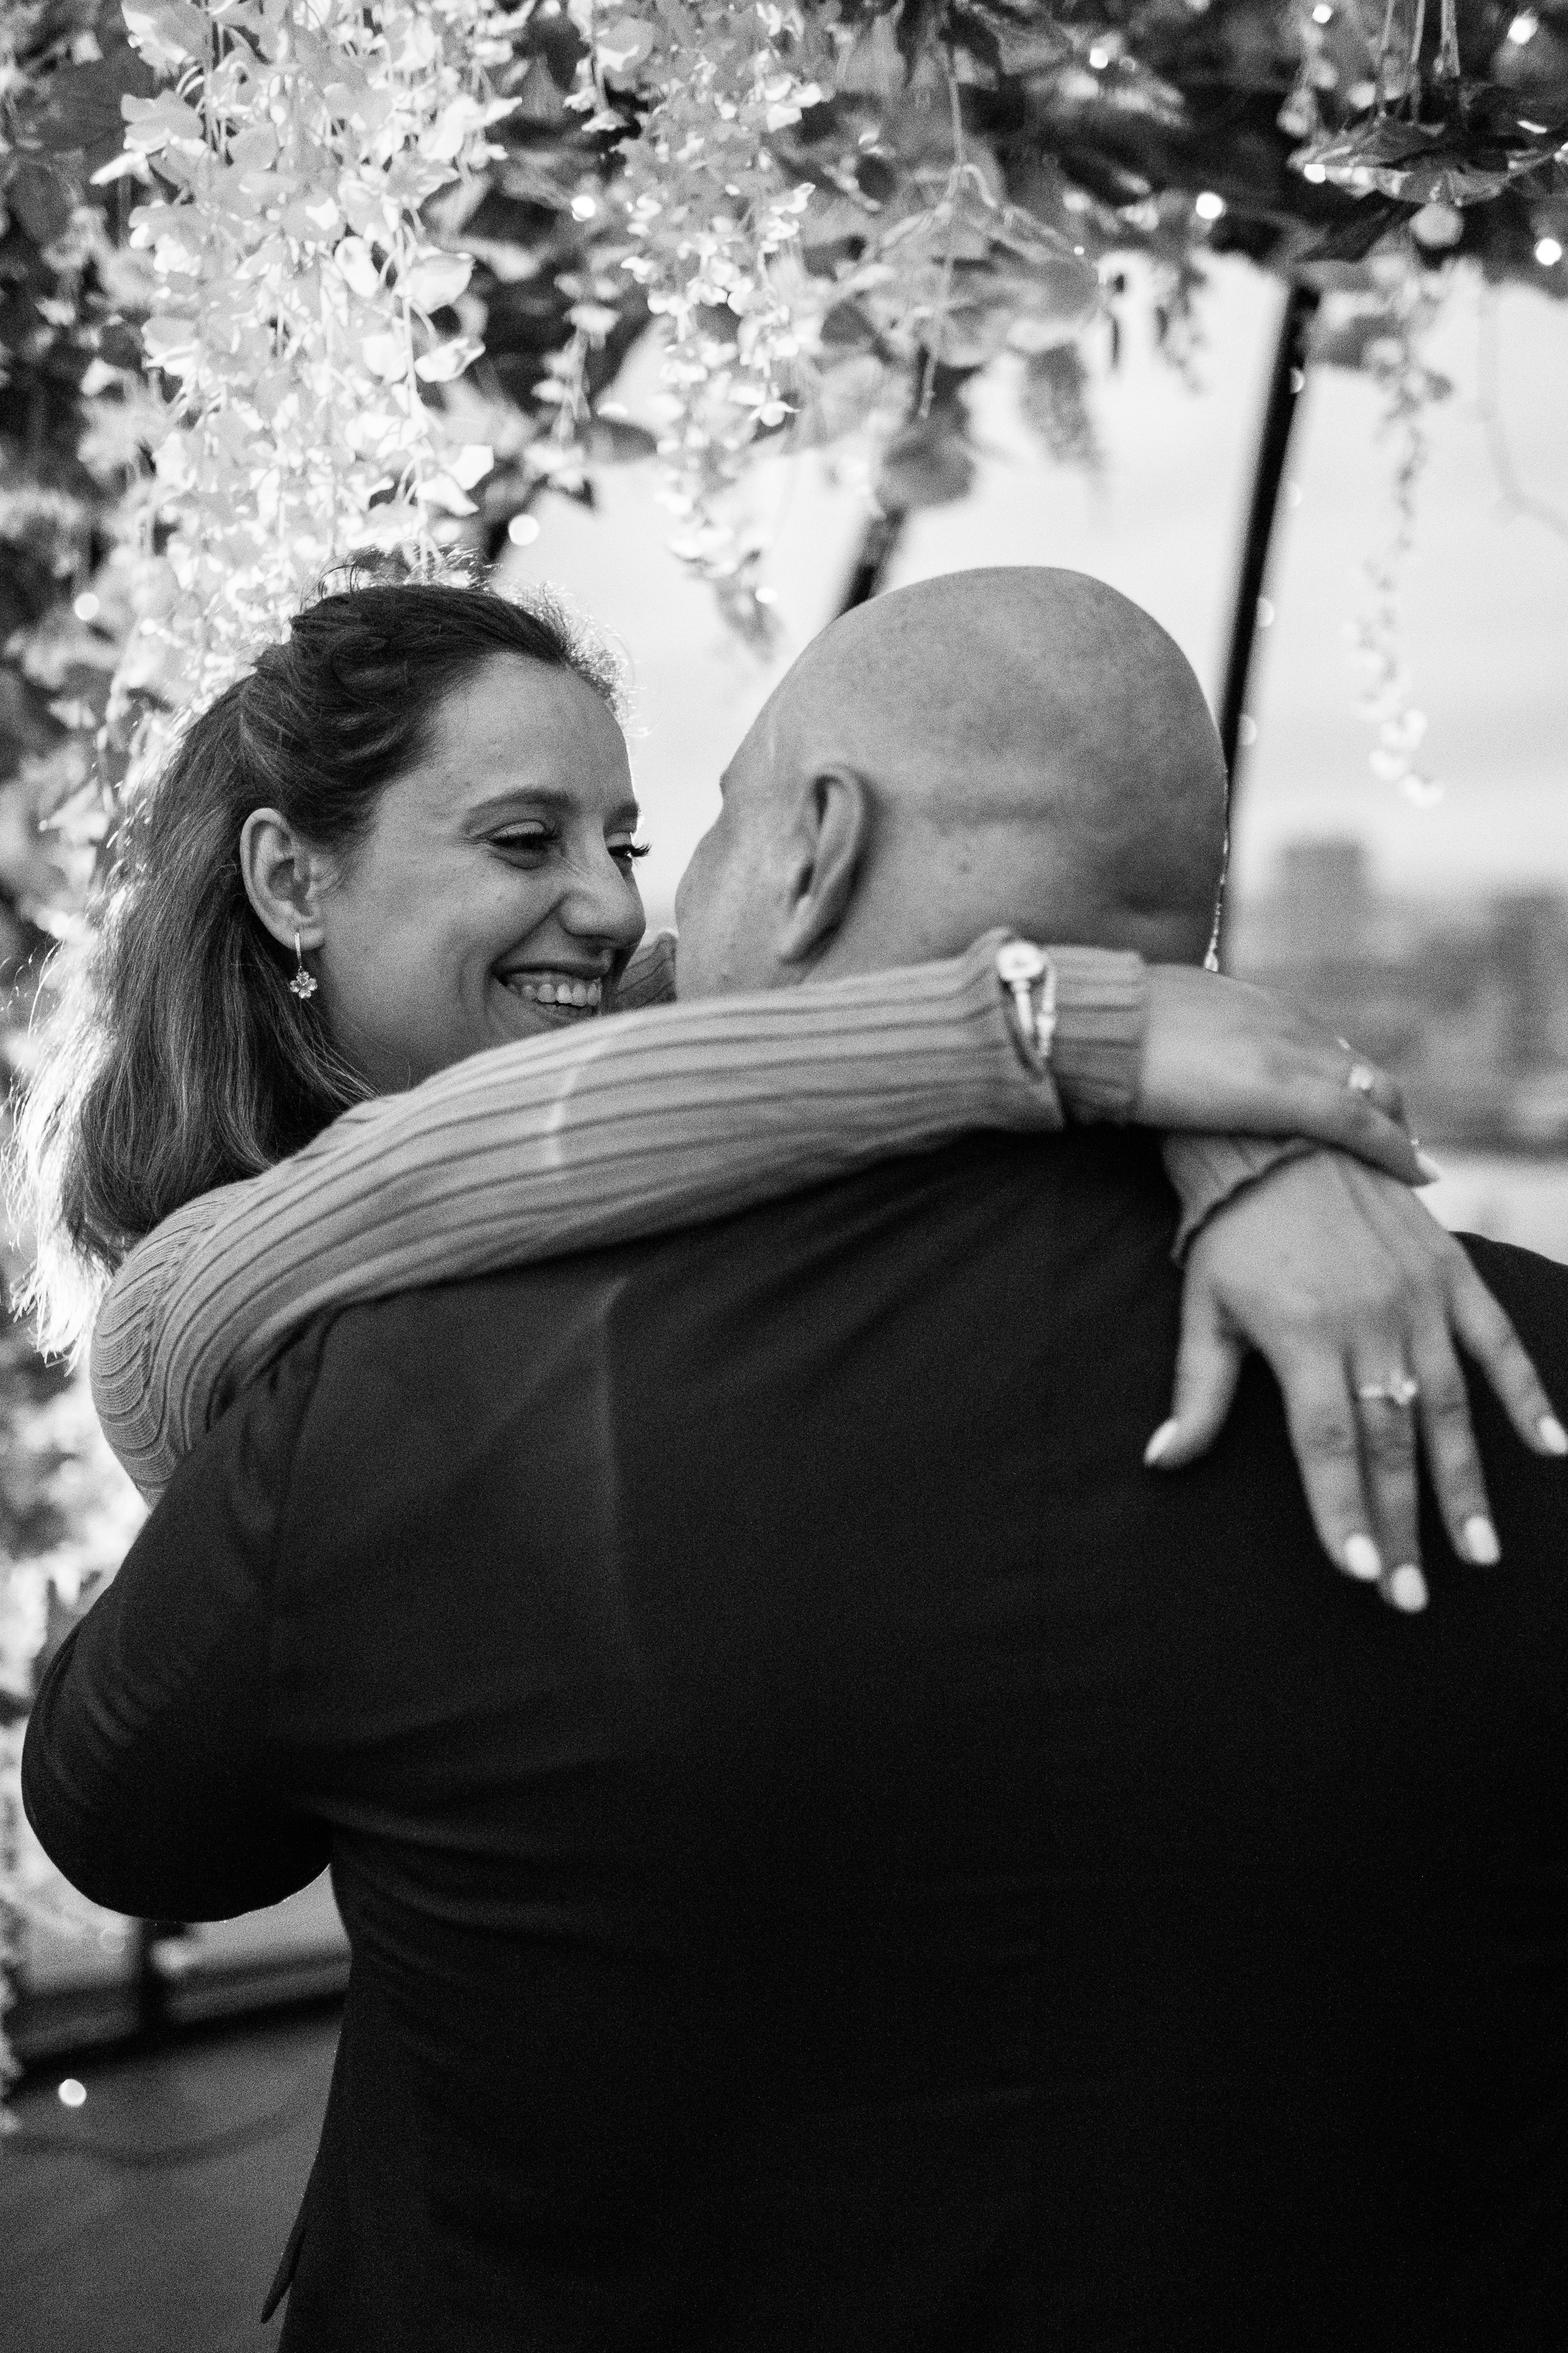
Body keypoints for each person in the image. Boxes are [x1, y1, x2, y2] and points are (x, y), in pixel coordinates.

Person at [23, 570, 1567, 2348]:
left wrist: (1199, 1099)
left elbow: (125, 1822)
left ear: (816, 846)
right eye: (534, 840)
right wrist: (1162, 1063)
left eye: (663, 832)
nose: (620, 910)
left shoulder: (388, 1401)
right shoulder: (1512, 1359)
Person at [10, 578, 1551, 1600]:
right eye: (520, 841)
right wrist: (1077, 1032)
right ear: (289, 877)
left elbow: (897, 984)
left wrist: (1258, 1147)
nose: (615, 910)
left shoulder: (659, 1044)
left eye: (620, 840)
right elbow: (400, 1191)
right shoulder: (194, 1295)